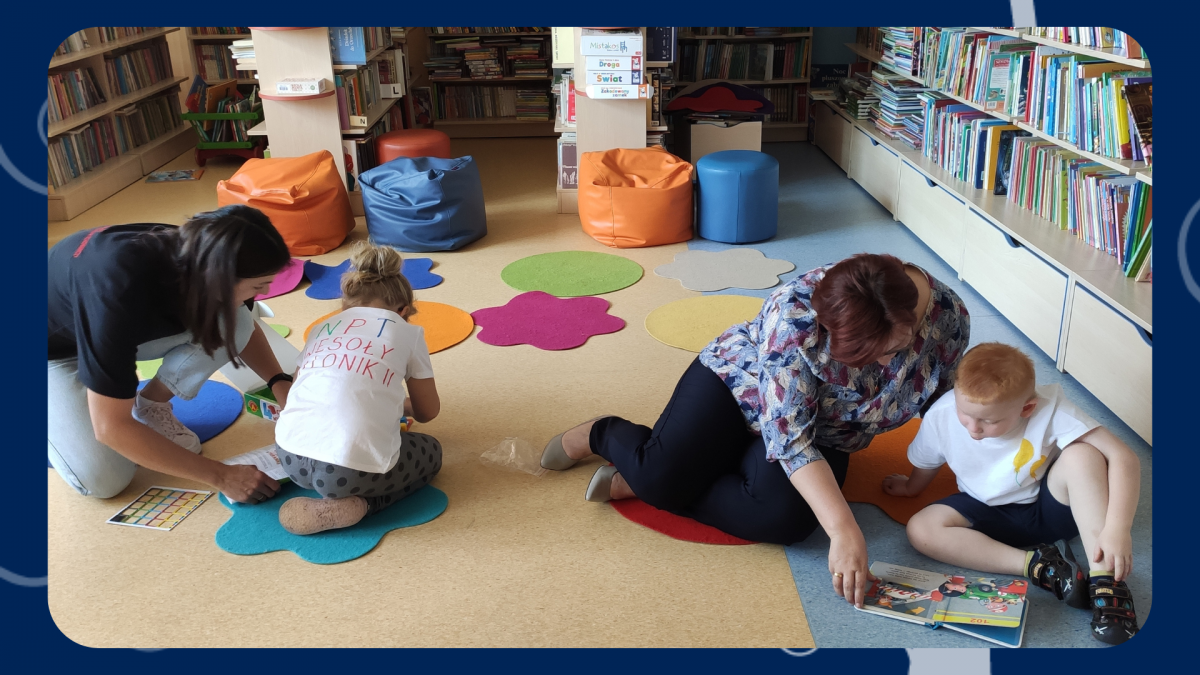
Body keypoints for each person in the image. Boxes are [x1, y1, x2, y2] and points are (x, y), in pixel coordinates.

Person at [540, 253, 970, 608]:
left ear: (912, 319)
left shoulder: (948, 318)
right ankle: (602, 434)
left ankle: (662, 474)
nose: (882, 368)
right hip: (738, 387)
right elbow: (791, 438)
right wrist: (844, 530)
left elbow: (940, 402)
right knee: (660, 478)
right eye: (865, 358)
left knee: (783, 521)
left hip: (830, 431)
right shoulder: (794, 312)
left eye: (892, 351)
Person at [882, 342, 1141, 644]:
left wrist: (1117, 529)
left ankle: (1105, 579)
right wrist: (911, 488)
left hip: (1050, 509)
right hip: (983, 515)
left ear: (1026, 408)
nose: (973, 428)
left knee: (1083, 454)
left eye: (989, 421)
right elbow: (928, 461)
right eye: (965, 413)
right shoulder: (942, 414)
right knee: (920, 528)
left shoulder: (1048, 407)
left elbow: (1125, 458)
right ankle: (1039, 566)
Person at [48, 206, 295, 503]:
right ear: (219, 278)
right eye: (259, 285)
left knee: (235, 317)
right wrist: (222, 475)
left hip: (98, 323)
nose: (266, 291)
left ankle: (150, 404)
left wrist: (280, 383)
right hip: (54, 351)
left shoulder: (203, 250)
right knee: (106, 479)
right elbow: (110, 428)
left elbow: (241, 323)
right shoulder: (117, 294)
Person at [274, 242, 442, 535]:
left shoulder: (321, 327)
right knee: (433, 453)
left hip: (290, 457)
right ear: (402, 310)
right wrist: (401, 407)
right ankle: (359, 506)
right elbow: (428, 412)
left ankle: (327, 496)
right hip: (348, 474)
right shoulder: (408, 332)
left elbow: (295, 391)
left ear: (345, 305)